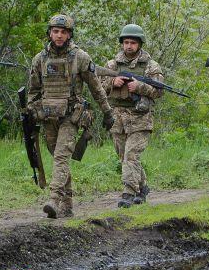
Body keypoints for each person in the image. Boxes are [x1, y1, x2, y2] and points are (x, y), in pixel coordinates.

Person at [27, 14, 114, 218]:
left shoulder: (80, 57)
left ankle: (54, 199)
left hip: (71, 116)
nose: (59, 35)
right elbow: (34, 89)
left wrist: (108, 112)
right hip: (48, 117)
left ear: (69, 34)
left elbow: (96, 88)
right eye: (55, 31)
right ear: (49, 33)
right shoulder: (39, 59)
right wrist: (31, 109)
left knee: (60, 156)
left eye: (63, 32)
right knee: (58, 157)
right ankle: (67, 204)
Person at [101, 24, 163, 208]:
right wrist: (113, 81)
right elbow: (99, 87)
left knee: (131, 156)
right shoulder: (112, 65)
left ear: (139, 44)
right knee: (124, 157)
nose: (129, 46)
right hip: (118, 118)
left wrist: (140, 87)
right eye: (126, 42)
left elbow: (159, 91)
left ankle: (128, 192)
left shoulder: (151, 66)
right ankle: (142, 188)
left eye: (133, 43)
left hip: (140, 118)